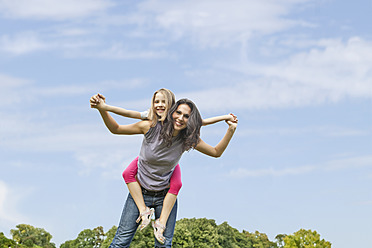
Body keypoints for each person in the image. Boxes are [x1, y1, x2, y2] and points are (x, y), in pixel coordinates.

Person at [90, 89, 236, 244]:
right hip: (140, 190)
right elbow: (117, 129)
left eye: (186, 116)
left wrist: (230, 129)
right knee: (121, 239)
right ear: (172, 112)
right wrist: (102, 109)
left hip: (165, 195)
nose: (180, 118)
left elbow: (215, 151)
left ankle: (160, 223)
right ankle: (143, 210)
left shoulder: (188, 138)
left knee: (164, 243)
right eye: (178, 113)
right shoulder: (151, 126)